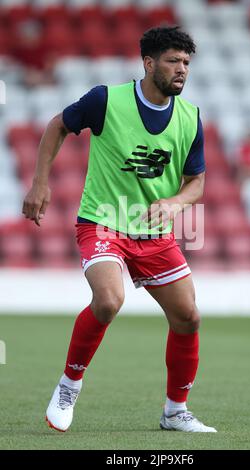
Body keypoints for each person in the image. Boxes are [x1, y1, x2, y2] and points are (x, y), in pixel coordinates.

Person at [22, 26, 217, 433]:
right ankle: (69, 385)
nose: (181, 69)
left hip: (153, 234)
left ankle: (175, 411)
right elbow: (57, 125)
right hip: (103, 222)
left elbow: (196, 180)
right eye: (172, 61)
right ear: (148, 63)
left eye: (186, 63)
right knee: (109, 300)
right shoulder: (106, 99)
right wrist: (40, 182)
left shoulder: (190, 118)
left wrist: (175, 202)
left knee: (189, 318)